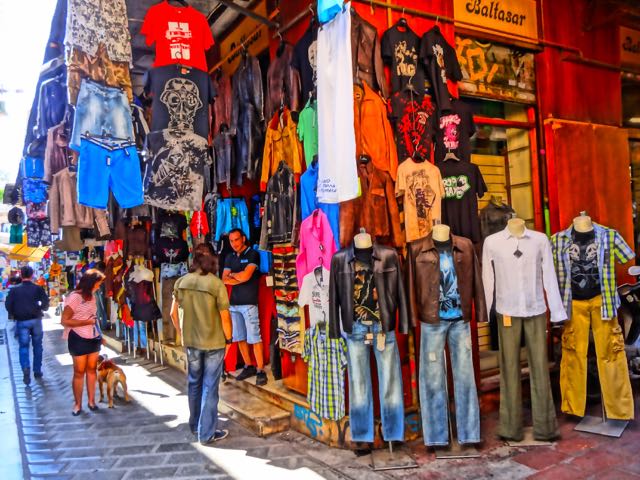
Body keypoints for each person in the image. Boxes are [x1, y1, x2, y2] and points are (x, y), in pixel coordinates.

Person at [171, 253, 232, 444]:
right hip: (214, 342)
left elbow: (173, 313)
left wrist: (181, 333)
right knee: (210, 386)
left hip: (191, 341)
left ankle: (195, 424)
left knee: (194, 383)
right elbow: (225, 317)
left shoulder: (181, 282)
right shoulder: (216, 284)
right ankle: (206, 433)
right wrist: (229, 339)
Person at [222, 228, 266, 385]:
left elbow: (246, 276)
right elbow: (224, 279)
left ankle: (260, 370)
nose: (234, 243)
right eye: (231, 241)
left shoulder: (253, 254)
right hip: (234, 304)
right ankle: (249, 366)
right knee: (239, 338)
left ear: (243, 238)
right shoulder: (229, 257)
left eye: (236, 239)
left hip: (249, 303)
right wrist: (238, 276)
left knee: (254, 338)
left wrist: (234, 275)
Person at [61, 269, 106, 416]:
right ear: (90, 283)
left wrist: (100, 334)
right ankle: (77, 404)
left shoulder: (91, 296)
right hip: (78, 338)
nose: (99, 287)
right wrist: (86, 322)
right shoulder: (75, 297)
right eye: (97, 284)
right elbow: (65, 320)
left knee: (92, 370)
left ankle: (91, 402)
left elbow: (94, 318)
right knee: (79, 372)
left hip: (93, 338)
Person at [5, 266, 49, 385]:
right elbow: (45, 303)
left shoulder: (14, 290)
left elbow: (8, 305)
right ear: (32, 275)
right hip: (36, 320)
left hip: (21, 321)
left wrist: (13, 314)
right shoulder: (37, 289)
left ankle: (25, 368)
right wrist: (41, 308)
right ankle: (37, 370)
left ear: (21, 275)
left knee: (23, 346)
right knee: (37, 346)